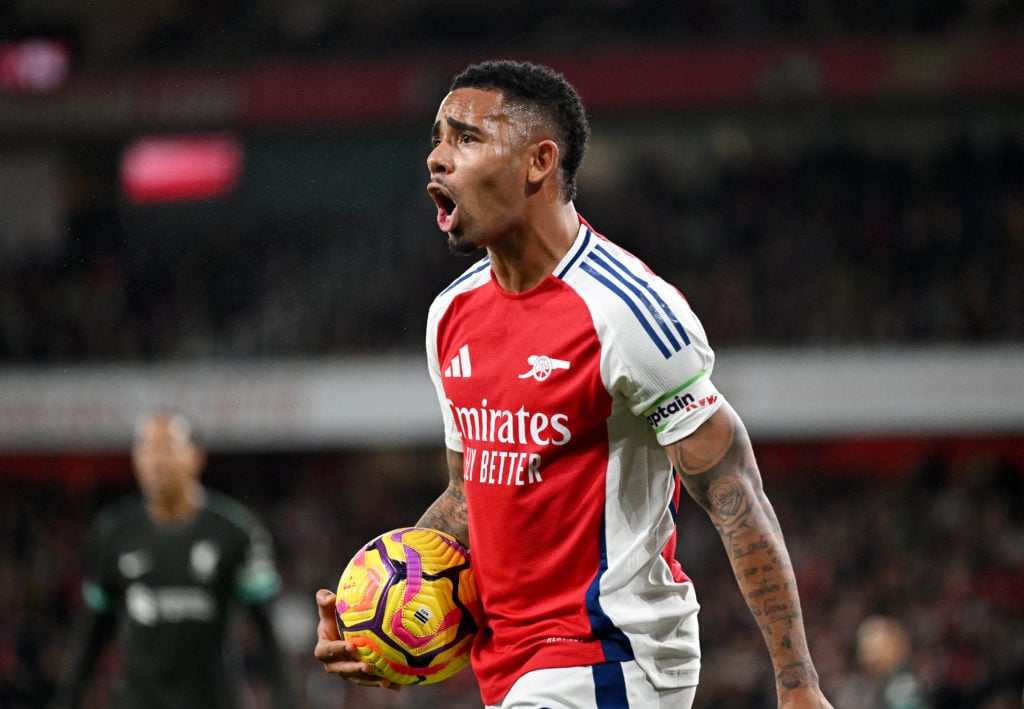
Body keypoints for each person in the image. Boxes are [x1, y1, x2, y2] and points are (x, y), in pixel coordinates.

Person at [315, 59, 832, 708]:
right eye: (436, 139)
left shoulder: (627, 311)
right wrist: (383, 609)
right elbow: (467, 490)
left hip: (612, 654)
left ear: (539, 162)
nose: (437, 160)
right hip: (511, 667)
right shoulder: (451, 314)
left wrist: (797, 682)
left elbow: (735, 491)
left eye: (465, 138)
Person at [51, 411, 294, 709]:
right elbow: (91, 632)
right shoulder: (113, 533)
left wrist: (286, 699)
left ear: (196, 456)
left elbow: (268, 631)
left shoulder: (236, 531)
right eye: (146, 449)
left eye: (166, 448)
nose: (156, 461)